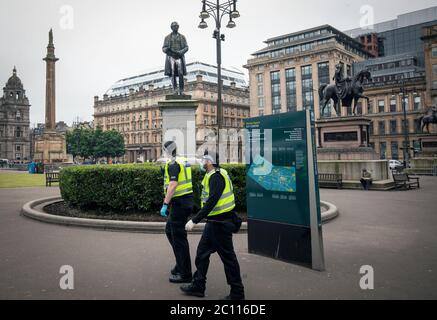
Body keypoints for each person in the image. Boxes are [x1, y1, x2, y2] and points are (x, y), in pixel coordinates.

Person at [181, 154, 245, 300]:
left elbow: (212, 201)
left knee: (228, 259)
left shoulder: (217, 176)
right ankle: (198, 286)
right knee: (202, 254)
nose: (200, 161)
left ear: (209, 162)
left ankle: (237, 293)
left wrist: (194, 220)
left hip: (221, 224)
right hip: (214, 223)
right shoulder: (211, 175)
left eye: (203, 159)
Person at [161, 141, 194, 283]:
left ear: (167, 150)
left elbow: (173, 184)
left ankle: (185, 274)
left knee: (179, 238)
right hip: (185, 201)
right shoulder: (183, 161)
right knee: (170, 231)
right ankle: (180, 263)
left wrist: (165, 204)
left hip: (179, 203)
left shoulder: (173, 163)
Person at [162, 22, 189, 95]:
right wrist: (168, 50)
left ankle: (181, 90)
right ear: (171, 27)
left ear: (178, 27)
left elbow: (186, 47)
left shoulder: (182, 37)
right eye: (174, 26)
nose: (175, 27)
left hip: (179, 57)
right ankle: (175, 90)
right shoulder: (167, 37)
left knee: (180, 73)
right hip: (171, 57)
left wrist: (181, 52)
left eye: (176, 26)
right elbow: (163, 48)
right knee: (173, 73)